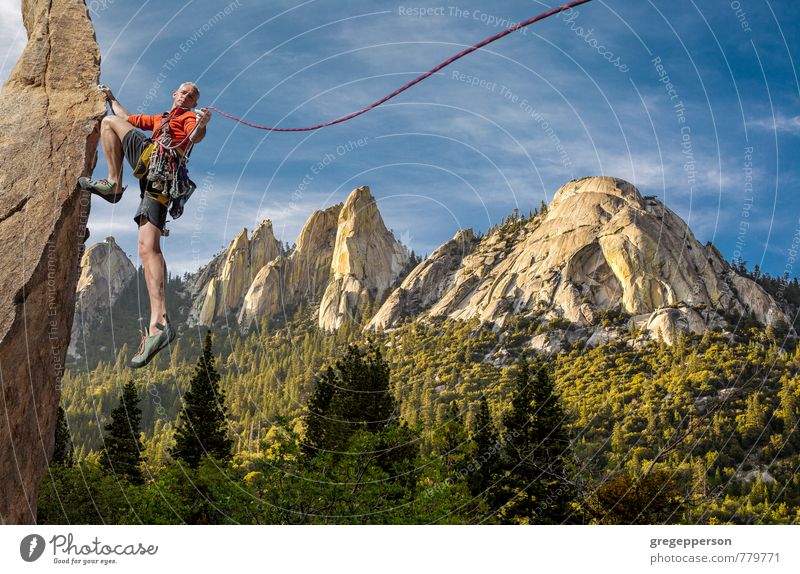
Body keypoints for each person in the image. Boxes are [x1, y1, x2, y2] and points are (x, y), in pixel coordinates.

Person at [79, 82, 211, 368]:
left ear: (192, 103)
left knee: (148, 247)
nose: (187, 96)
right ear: (174, 94)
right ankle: (158, 325)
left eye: (192, 95)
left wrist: (201, 122)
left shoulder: (189, 118)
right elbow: (128, 118)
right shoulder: (161, 119)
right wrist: (112, 98)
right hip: (153, 172)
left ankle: (114, 183)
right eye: (184, 92)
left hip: (161, 169)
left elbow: (195, 135)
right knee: (146, 247)